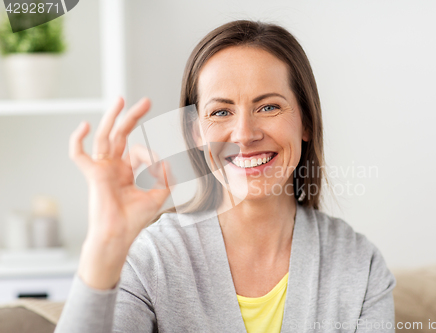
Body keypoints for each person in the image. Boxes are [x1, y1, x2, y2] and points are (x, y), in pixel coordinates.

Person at [55, 19, 396, 333]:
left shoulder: (358, 265)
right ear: (197, 134)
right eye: (220, 112)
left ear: (306, 121)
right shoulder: (153, 258)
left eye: (269, 107)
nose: (244, 134)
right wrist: (105, 243)